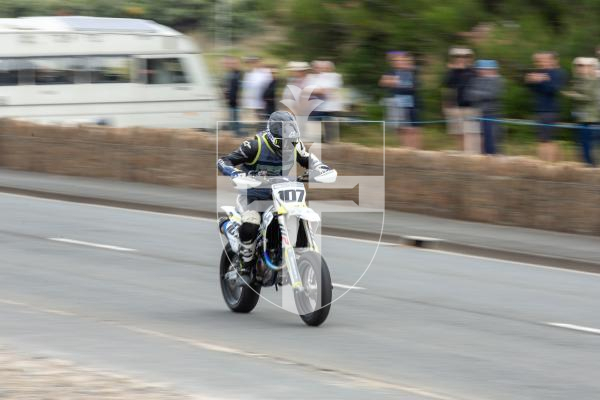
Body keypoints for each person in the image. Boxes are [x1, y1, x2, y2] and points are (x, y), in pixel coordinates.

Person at [217, 111, 331, 276]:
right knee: (251, 222)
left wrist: (322, 170)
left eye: (290, 141)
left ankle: (298, 255)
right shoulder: (254, 146)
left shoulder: (294, 145)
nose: (287, 146)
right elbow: (223, 160)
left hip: (281, 196)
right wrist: (237, 174)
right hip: (253, 197)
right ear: (271, 137)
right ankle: (245, 263)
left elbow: (309, 159)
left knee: (302, 216)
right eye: (282, 141)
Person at [525, 51, 565, 162]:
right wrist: (530, 81)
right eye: (541, 60)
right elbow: (534, 90)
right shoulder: (541, 72)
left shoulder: (558, 73)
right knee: (542, 139)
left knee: (547, 140)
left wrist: (543, 80)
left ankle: (549, 165)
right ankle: (546, 164)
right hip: (540, 109)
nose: (542, 62)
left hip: (550, 110)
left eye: (545, 59)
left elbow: (553, 90)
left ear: (554, 60)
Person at [379, 51, 422, 148]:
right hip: (397, 104)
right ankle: (406, 149)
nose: (400, 62)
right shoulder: (391, 71)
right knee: (401, 129)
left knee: (414, 129)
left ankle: (416, 150)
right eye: (397, 60)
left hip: (412, 105)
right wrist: (395, 82)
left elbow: (413, 87)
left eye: (402, 60)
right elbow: (382, 82)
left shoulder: (412, 71)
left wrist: (395, 82)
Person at [562, 58, 600, 166]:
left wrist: (571, 94)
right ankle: (586, 164)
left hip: (592, 118)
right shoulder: (579, 79)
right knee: (582, 143)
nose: (581, 68)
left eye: (583, 66)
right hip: (581, 116)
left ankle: (592, 166)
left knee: (591, 144)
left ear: (592, 67)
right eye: (579, 66)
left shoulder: (595, 80)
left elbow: (589, 98)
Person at [442, 47, 479, 153]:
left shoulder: (473, 71)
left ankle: (472, 155)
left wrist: (463, 69)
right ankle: (461, 153)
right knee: (458, 133)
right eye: (458, 56)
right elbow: (446, 85)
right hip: (455, 107)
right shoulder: (452, 71)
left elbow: (474, 84)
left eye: (465, 56)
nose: (461, 59)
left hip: (471, 107)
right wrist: (453, 70)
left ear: (469, 58)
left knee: (471, 133)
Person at [467, 60, 503, 155]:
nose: (479, 71)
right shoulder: (476, 79)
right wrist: (479, 94)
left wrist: (477, 94)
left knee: (492, 138)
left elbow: (493, 94)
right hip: (477, 112)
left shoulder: (497, 80)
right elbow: (468, 94)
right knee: (478, 139)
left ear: (491, 70)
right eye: (479, 69)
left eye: (482, 69)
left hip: (491, 113)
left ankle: (493, 157)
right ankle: (482, 157)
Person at [241, 56, 272, 123]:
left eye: (253, 62)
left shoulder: (266, 72)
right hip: (254, 101)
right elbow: (246, 87)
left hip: (264, 100)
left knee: (266, 117)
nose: (251, 64)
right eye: (250, 63)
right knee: (259, 117)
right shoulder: (249, 73)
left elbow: (268, 85)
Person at [222, 56, 243, 136]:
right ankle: (234, 131)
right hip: (230, 98)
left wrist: (239, 97)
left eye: (234, 63)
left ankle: (237, 131)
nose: (232, 65)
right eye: (231, 63)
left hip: (236, 98)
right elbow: (228, 86)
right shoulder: (229, 73)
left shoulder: (239, 73)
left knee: (236, 115)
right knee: (232, 115)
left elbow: (240, 86)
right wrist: (226, 94)